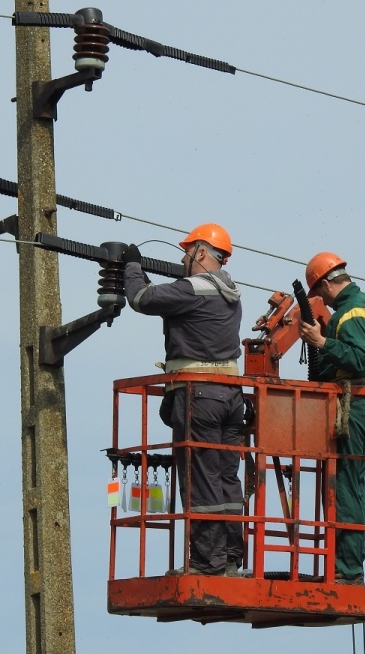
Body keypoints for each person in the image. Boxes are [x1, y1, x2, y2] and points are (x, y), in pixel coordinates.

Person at [122, 223, 245, 577]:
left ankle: (207, 564)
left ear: (202, 252)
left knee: (202, 478)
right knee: (226, 479)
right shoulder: (231, 294)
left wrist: (132, 265)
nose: (183, 258)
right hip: (231, 397)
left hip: (200, 396)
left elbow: (141, 299)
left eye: (188, 251)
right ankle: (231, 558)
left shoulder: (193, 289)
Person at [299, 252, 365, 585]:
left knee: (347, 485)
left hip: (355, 404)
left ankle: (347, 569)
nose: (321, 302)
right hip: (364, 402)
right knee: (350, 481)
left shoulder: (351, 313)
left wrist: (321, 342)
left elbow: (358, 359)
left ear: (328, 283)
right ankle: (346, 566)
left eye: (320, 293)